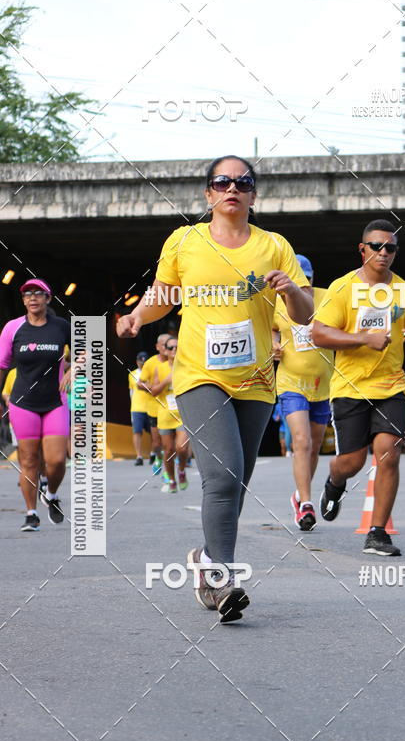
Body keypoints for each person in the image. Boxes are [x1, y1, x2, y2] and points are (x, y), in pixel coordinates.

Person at [116, 154, 313, 622]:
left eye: (242, 182)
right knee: (221, 478)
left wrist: (290, 289)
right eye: (221, 182)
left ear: (252, 194)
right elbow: (162, 297)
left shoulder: (274, 246)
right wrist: (135, 318)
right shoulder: (185, 242)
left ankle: (206, 561)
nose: (232, 188)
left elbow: (304, 315)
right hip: (199, 376)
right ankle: (224, 578)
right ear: (208, 194)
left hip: (257, 381)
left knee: (237, 480)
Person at [312, 219, 405, 556]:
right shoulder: (342, 288)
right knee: (351, 462)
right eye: (376, 247)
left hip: (391, 385)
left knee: (388, 452)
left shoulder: (404, 290)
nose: (383, 253)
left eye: (390, 247)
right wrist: (362, 339)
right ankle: (334, 483)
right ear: (362, 249)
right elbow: (319, 333)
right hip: (350, 388)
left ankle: (378, 532)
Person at [0, 279, 70, 531]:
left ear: (48, 299)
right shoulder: (13, 328)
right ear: (23, 301)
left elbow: (90, 344)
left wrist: (79, 366)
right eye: (27, 294)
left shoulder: (61, 326)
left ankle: (51, 494)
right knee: (28, 460)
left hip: (55, 401)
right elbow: (2, 365)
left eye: (38, 293)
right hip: (23, 402)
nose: (32, 298)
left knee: (57, 460)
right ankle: (31, 514)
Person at [272, 254, 334, 530]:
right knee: (302, 441)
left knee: (314, 448)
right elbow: (269, 330)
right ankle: (307, 504)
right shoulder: (274, 302)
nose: (302, 284)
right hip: (291, 382)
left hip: (324, 383)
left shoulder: (329, 297)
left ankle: (300, 495)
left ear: (312, 278)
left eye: (306, 279)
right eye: (297, 279)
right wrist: (273, 344)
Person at [150, 337, 189, 493]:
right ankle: (172, 479)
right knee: (168, 450)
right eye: (171, 347)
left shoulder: (187, 367)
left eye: (177, 347)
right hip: (165, 414)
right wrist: (166, 381)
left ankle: (181, 471)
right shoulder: (160, 368)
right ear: (165, 350)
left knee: (182, 448)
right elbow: (153, 391)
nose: (174, 350)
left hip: (182, 413)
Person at [138, 335, 169, 474]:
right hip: (155, 408)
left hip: (174, 409)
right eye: (163, 345)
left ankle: (171, 469)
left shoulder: (178, 362)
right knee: (157, 443)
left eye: (170, 345)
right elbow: (140, 383)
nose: (167, 348)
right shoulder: (150, 363)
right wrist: (154, 388)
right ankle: (158, 456)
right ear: (157, 347)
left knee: (171, 442)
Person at [128, 350, 152, 465]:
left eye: (144, 362)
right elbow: (131, 392)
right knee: (137, 432)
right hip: (137, 407)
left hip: (150, 406)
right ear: (137, 362)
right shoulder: (132, 374)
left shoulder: (152, 373)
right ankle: (139, 456)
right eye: (140, 362)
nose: (142, 364)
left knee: (153, 432)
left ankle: (153, 453)